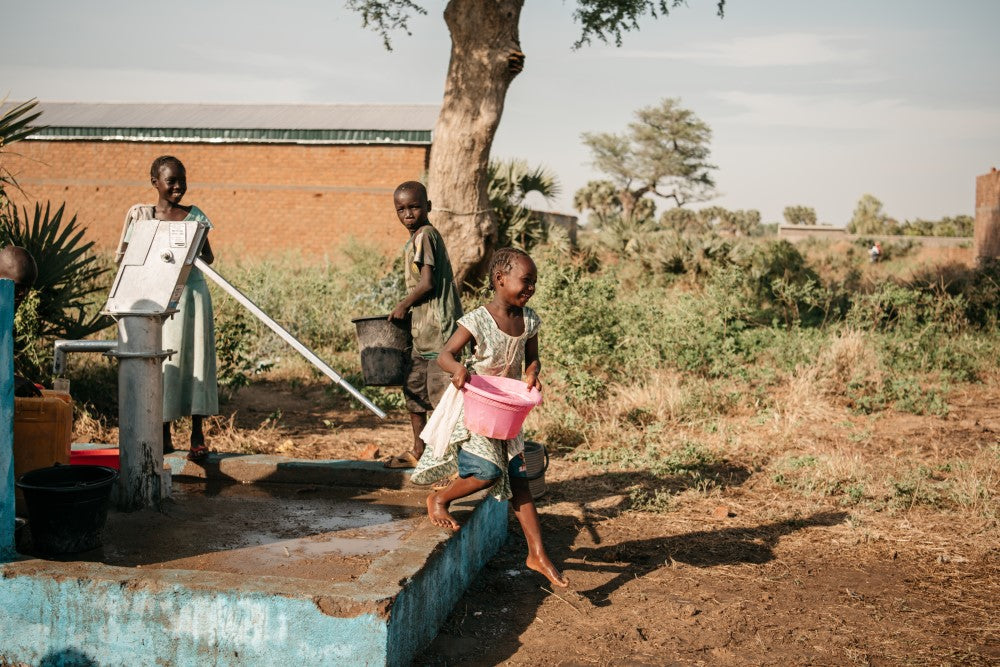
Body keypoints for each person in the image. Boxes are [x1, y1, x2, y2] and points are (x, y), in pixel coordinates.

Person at [411, 247, 569, 588]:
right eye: (525, 281)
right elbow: (446, 354)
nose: (531, 288)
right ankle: (440, 498)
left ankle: (537, 553)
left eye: (534, 283)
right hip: (477, 405)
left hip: (508, 410)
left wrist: (532, 372)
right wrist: (456, 371)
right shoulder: (478, 320)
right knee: (486, 471)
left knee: (519, 477)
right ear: (500, 280)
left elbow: (533, 359)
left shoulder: (529, 321)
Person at [115, 156, 218, 461]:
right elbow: (131, 260)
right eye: (171, 181)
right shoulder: (143, 219)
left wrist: (190, 240)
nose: (177, 187)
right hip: (159, 297)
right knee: (161, 362)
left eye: (181, 181)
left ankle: (197, 434)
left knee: (197, 360)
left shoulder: (195, 215)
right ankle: (163, 433)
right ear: (155, 183)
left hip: (193, 294)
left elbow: (208, 258)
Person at [383, 181, 463, 469]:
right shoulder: (416, 237)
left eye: (414, 207)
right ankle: (420, 450)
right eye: (401, 209)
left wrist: (403, 305)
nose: (408, 214)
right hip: (423, 333)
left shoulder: (426, 235)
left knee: (442, 398)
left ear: (427, 207)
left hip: (440, 332)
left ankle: (450, 461)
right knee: (414, 391)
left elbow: (427, 283)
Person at [0, 245, 42, 397]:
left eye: (27, 288)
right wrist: (10, 382)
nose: (22, 295)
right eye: (17, 287)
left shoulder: (4, 314)